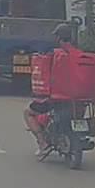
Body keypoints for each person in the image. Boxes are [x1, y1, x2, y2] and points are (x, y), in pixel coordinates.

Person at [24, 23, 76, 154]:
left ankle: (42, 143)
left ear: (58, 37)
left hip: (55, 97)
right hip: (77, 97)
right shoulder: (79, 54)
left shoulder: (54, 54)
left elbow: (44, 71)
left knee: (28, 113)